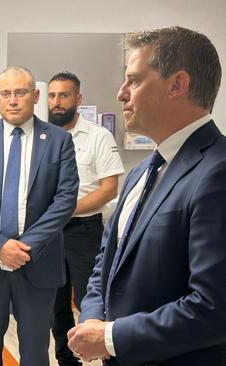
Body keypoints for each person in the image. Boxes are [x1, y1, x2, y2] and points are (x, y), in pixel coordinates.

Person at [69, 26, 226, 365]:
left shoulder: (217, 171)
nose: (121, 93)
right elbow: (106, 263)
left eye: (134, 80)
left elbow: (215, 307)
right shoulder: (142, 172)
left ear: (177, 84)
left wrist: (110, 337)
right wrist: (93, 317)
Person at [0, 65, 78, 366]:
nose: (12, 100)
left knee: (36, 353)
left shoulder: (59, 141)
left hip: (37, 262)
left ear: (35, 96)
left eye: (20, 93)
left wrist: (24, 248)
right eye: (5, 94)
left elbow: (65, 199)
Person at [46, 71, 124, 366]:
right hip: (49, 234)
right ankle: (67, 361)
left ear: (78, 99)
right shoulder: (42, 137)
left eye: (64, 95)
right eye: (52, 95)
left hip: (84, 231)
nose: (56, 102)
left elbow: (109, 188)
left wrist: (66, 209)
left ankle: (105, 358)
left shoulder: (98, 137)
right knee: (56, 306)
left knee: (90, 303)